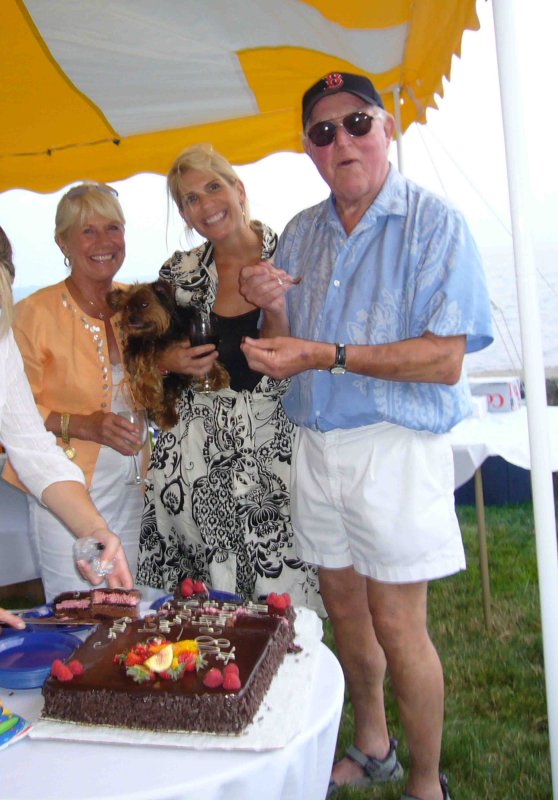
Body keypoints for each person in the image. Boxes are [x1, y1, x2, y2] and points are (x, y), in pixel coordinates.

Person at [239, 72, 493, 800]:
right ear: (309, 149)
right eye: (324, 131)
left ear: (387, 128)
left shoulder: (433, 223)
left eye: (357, 123)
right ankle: (374, 744)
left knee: (399, 624)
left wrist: (325, 354)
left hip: (394, 448)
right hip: (318, 448)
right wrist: (271, 317)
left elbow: (445, 360)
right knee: (343, 608)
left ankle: (424, 784)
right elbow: (283, 346)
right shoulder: (301, 232)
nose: (342, 140)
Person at [136, 143, 323, 614]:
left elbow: (295, 356)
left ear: (239, 190)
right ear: (184, 214)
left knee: (287, 602)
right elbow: (144, 358)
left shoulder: (293, 258)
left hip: (275, 455)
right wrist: (168, 359)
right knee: (209, 616)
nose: (206, 204)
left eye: (213, 187)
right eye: (190, 199)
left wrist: (275, 307)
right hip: (195, 464)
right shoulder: (178, 274)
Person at [3, 184, 148, 602]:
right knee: (78, 608)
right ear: (62, 241)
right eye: (87, 231)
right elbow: (18, 412)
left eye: (113, 228)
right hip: (62, 484)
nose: (104, 242)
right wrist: (83, 424)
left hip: (132, 484)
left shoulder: (136, 305)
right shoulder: (33, 313)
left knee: (127, 599)